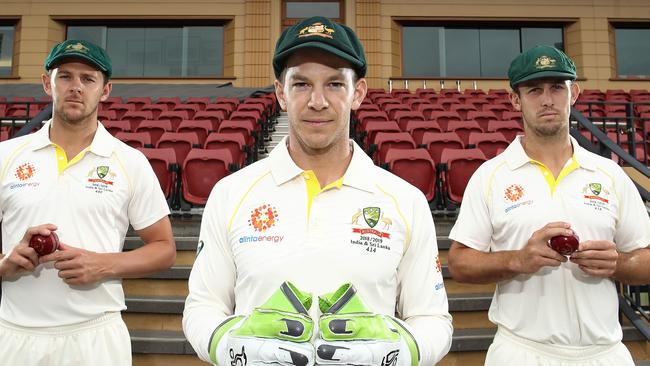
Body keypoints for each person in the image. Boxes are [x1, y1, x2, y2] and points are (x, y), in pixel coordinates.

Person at [183, 16, 452, 366]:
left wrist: (401, 352)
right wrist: (230, 346)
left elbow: (432, 319)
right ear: (281, 93)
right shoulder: (231, 193)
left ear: (359, 93)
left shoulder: (405, 201)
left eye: (335, 84)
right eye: (302, 85)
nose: (318, 101)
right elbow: (202, 307)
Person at [447, 44, 650, 365]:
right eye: (533, 90)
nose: (547, 99)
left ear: (574, 93)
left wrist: (619, 263)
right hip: (523, 351)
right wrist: (518, 260)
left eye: (557, 87)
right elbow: (459, 264)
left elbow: (647, 259)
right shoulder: (491, 176)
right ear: (515, 99)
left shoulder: (609, 174)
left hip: (605, 352)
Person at [0, 39, 176, 365]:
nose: (76, 87)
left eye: (88, 79)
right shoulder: (6, 156)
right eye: (65, 76)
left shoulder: (130, 161)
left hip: (95, 336)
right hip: (13, 335)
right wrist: (5, 263)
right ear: (46, 83)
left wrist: (103, 264)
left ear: (105, 90)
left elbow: (164, 248)